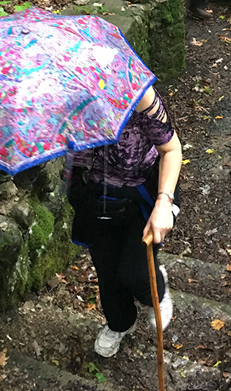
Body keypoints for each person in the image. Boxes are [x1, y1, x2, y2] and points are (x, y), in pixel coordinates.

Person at [67, 85, 182, 358]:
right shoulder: (64, 98)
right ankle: (120, 324)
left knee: (135, 272)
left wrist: (164, 203)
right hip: (96, 195)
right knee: (107, 272)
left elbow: (172, 149)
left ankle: (156, 292)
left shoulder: (138, 95)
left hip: (144, 192)